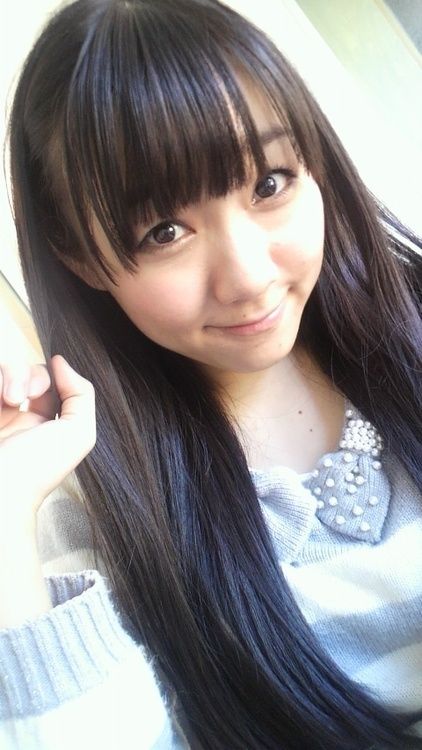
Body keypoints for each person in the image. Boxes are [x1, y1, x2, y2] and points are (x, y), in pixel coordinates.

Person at [1, 0, 421, 747]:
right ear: (81, 258)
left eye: (270, 184)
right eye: (164, 231)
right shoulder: (90, 507)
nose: (249, 276)